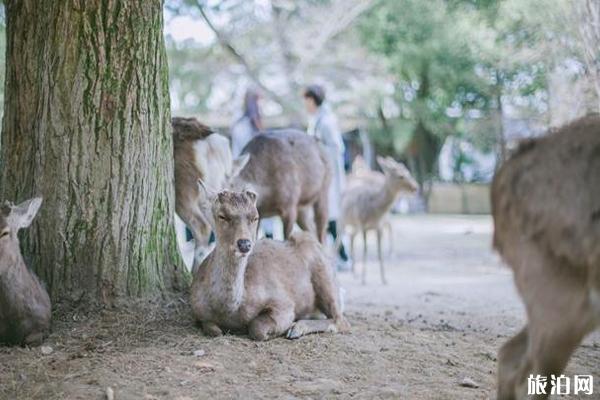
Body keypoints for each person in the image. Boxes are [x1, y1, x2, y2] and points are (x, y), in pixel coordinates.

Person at [303, 85, 351, 270]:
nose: (305, 105)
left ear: (313, 100)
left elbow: (336, 148)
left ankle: (343, 256)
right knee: (326, 216)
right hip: (319, 174)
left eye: (306, 100)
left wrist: (317, 149)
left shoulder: (326, 121)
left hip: (329, 174)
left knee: (331, 215)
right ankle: (337, 255)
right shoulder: (317, 119)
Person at [230, 88, 274, 239]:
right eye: (259, 101)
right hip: (249, 174)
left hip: (255, 173)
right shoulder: (245, 126)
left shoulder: (251, 124)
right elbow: (240, 153)